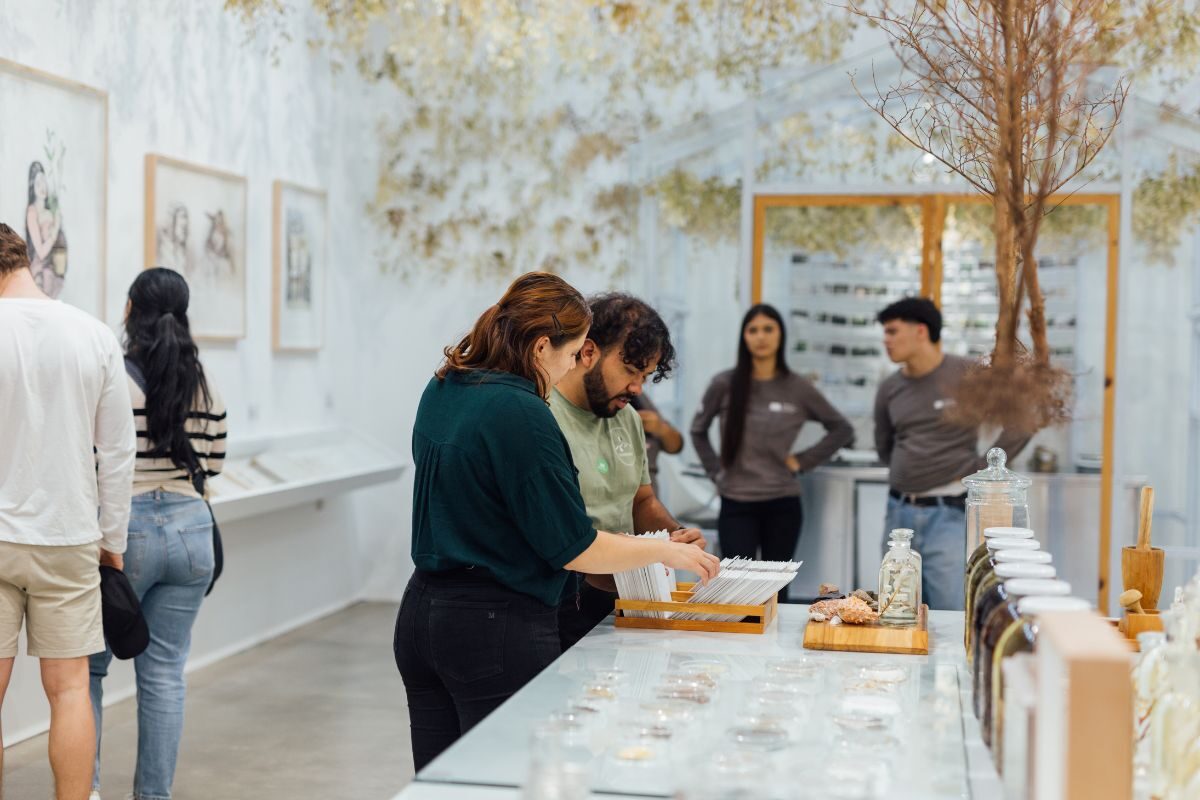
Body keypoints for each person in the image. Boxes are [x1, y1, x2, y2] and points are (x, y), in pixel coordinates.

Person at [394, 272, 719, 772]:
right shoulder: (522, 410)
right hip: (494, 624)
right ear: (542, 346)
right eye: (571, 354)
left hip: (421, 613)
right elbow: (574, 547)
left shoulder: (444, 385)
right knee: (516, 775)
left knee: (444, 781)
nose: (573, 365)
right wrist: (665, 550)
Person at [0, 222, 136, 800]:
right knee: (71, 689)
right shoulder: (93, 334)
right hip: (69, 535)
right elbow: (118, 452)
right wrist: (113, 541)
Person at [87, 268, 227, 800]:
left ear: (130, 309)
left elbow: (95, 462)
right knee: (166, 673)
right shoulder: (206, 383)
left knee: (91, 670)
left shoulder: (114, 380)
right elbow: (214, 463)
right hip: (192, 534)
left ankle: (85, 789)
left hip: (126, 534)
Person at [550, 293, 704, 650]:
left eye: (646, 376)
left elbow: (641, 501)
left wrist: (676, 537)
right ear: (588, 352)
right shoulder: (544, 416)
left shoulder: (628, 418)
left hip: (622, 595)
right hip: (560, 601)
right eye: (631, 371)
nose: (637, 388)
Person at [874, 297, 1032, 610]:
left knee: (949, 610)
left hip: (948, 514)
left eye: (892, 331)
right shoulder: (890, 387)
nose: (886, 340)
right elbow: (884, 444)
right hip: (898, 513)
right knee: (895, 609)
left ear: (921, 331)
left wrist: (981, 468)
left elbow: (1021, 421)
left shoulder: (967, 375)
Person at [691, 304, 853, 599]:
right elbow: (697, 430)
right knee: (736, 591)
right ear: (744, 337)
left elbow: (842, 429)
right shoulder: (725, 384)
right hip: (736, 503)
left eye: (768, 329)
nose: (761, 337)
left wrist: (802, 461)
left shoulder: (797, 387)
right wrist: (716, 473)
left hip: (782, 505)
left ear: (781, 335)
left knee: (777, 592)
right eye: (753, 330)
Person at [25, 160, 67, 298]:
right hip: (41, 272)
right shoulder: (32, 212)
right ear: (32, 187)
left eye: (43, 181)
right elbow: (41, 252)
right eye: (38, 183)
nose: (42, 186)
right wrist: (54, 230)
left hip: (54, 268)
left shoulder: (51, 210)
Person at [628, 393, 684, 495]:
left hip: (648, 491)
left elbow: (676, 446)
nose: (638, 387)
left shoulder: (639, 396)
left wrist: (660, 428)